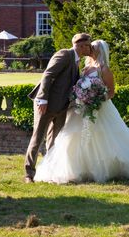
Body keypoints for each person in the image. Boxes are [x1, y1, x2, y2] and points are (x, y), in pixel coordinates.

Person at [34, 40, 129, 183]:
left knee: (101, 139)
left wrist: (95, 99)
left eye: (92, 47)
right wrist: (82, 97)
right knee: (73, 138)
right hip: (80, 109)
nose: (89, 49)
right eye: (89, 46)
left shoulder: (104, 69)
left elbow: (111, 92)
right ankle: (77, 171)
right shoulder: (85, 67)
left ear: (99, 51)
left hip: (98, 109)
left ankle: (107, 170)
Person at [24, 33, 93, 182]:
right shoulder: (64, 54)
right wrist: (42, 98)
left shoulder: (77, 61)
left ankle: (50, 172)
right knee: (37, 138)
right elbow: (48, 75)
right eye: (88, 45)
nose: (90, 48)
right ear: (81, 46)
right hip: (46, 105)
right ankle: (29, 174)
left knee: (55, 141)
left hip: (62, 107)